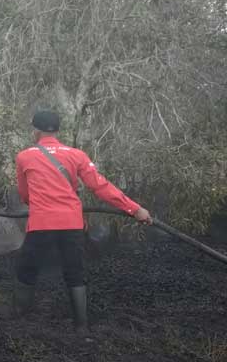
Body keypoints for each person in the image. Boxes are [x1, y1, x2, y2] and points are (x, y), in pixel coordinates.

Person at [14, 110, 152, 333]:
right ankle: (81, 326)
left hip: (41, 223)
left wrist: (42, 200)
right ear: (57, 130)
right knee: (75, 271)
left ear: (36, 131)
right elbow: (101, 187)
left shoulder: (24, 156)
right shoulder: (76, 155)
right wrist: (135, 209)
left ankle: (19, 318)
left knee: (27, 268)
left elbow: (24, 195)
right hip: (71, 223)